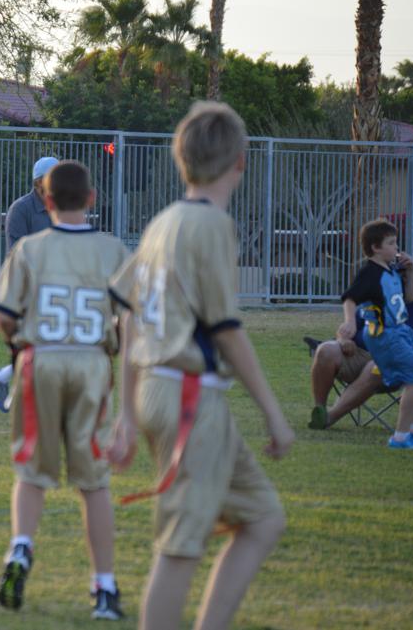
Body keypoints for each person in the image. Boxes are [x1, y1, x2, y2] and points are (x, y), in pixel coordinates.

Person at [107, 101, 294, 630]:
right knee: (180, 547)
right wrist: (274, 416)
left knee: (263, 518)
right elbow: (226, 330)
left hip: (164, 388)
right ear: (241, 161)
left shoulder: (163, 222)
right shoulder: (212, 224)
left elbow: (127, 318)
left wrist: (128, 412)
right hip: (188, 396)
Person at [0, 160, 127, 619]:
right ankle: (104, 588)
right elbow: (131, 317)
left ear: (46, 201)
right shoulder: (112, 249)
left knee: (31, 471)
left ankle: (21, 546)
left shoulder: (30, 247)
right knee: (93, 481)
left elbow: (4, 315)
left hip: (40, 358)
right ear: (92, 199)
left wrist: (16, 345)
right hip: (91, 362)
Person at [333, 218, 413, 449]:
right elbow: (350, 298)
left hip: (403, 331)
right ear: (376, 247)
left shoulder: (392, 270)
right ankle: (400, 437)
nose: (396, 247)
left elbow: (409, 298)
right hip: (385, 335)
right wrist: (350, 322)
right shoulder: (370, 273)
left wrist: (410, 270)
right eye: (391, 243)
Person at [309, 260, 413, 430]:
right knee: (326, 349)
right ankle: (319, 409)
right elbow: (346, 329)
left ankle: (329, 417)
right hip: (358, 354)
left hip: (395, 367)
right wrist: (343, 340)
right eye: (398, 277)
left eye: (407, 277)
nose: (402, 281)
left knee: (376, 366)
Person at [0, 155, 60, 411]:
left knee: (43, 345)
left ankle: (2, 378)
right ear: (39, 182)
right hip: (28, 286)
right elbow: (16, 253)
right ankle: (7, 385)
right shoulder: (20, 209)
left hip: (53, 285)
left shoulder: (59, 207)